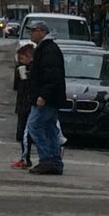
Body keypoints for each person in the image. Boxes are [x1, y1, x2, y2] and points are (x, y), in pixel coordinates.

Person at [24, 20, 66, 175]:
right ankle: (55, 162)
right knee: (50, 129)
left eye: (33, 30)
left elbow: (52, 75)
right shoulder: (46, 48)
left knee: (34, 126)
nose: (31, 33)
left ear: (42, 31)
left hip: (47, 98)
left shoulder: (48, 50)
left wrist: (43, 95)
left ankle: (47, 159)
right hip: (51, 97)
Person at [11, 43, 34, 169]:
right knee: (22, 132)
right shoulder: (23, 69)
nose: (20, 61)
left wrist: (24, 77)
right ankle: (25, 156)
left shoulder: (31, 70)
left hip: (26, 103)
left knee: (25, 132)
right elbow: (16, 87)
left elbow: (23, 86)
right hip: (23, 103)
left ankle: (26, 157)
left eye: (21, 58)